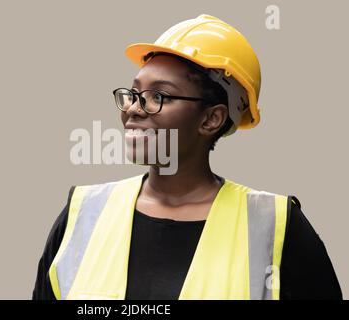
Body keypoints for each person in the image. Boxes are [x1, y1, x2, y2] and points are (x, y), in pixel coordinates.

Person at [32, 14, 342, 300]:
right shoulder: (83, 214)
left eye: (159, 97)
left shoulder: (276, 226)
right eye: (134, 92)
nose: (133, 108)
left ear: (211, 119)